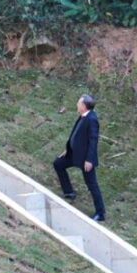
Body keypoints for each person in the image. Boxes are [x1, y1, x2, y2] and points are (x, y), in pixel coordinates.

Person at [54, 93, 106, 222]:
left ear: (83, 106)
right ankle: (68, 192)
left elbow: (93, 141)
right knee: (58, 164)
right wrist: (68, 149)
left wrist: (89, 160)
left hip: (85, 159)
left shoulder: (92, 119)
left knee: (92, 185)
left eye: (78, 103)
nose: (77, 104)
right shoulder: (83, 116)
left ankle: (100, 213)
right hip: (74, 154)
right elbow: (76, 134)